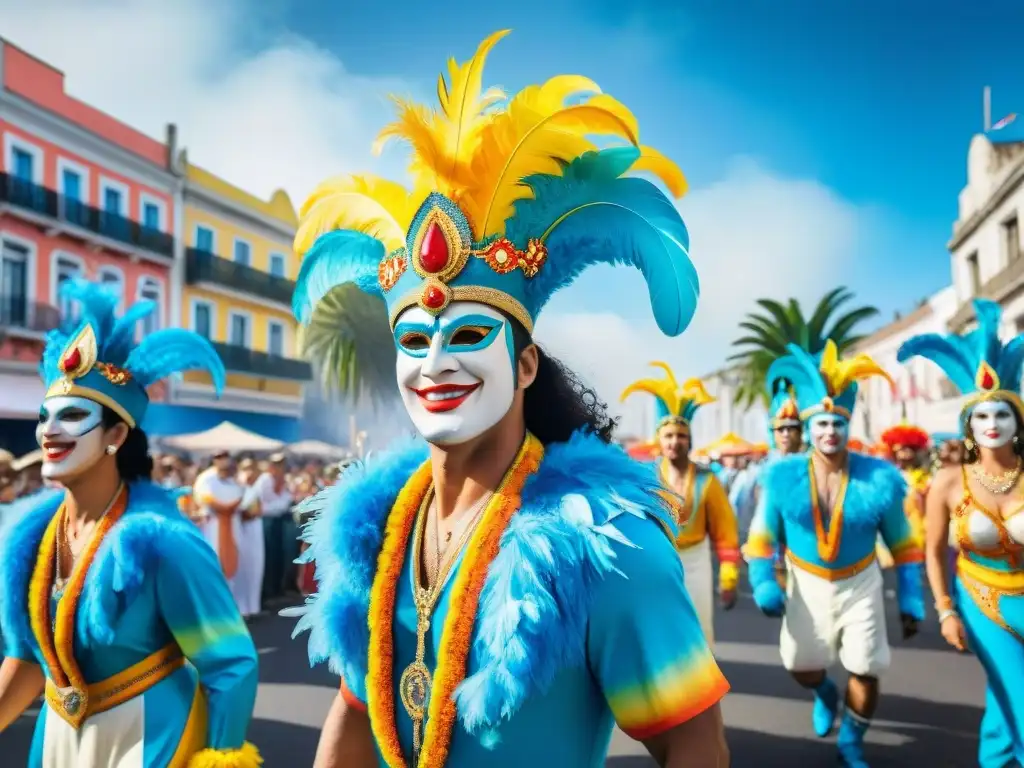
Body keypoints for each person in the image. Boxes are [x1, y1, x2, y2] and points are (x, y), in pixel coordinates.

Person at [291, 29, 729, 768]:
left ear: (525, 365)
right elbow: (356, 713)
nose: (434, 364)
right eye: (414, 341)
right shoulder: (372, 533)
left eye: (466, 334)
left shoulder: (606, 548)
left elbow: (695, 749)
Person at [0, 280, 260, 766]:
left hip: (150, 739)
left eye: (72, 415)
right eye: (44, 416)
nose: (48, 431)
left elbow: (232, 665)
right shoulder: (27, 540)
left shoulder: (165, 543)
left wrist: (221, 758)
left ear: (117, 434)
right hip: (56, 741)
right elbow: (28, 659)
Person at [744, 340, 924, 768]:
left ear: (848, 426)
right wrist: (763, 582)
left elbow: (903, 544)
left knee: (867, 667)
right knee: (800, 666)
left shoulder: (879, 479)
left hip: (861, 581)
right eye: (821, 423)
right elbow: (761, 538)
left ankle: (852, 738)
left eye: (836, 423)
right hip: (805, 584)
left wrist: (912, 595)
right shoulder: (782, 477)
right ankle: (824, 691)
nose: (829, 431)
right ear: (808, 428)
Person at [897, 297, 1024, 768]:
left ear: (1018, 420)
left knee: (1003, 702)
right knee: (1021, 699)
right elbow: (932, 552)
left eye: (1002, 414)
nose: (992, 425)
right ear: (969, 424)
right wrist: (945, 610)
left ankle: (993, 759)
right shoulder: (948, 482)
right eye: (983, 416)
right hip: (982, 602)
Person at [620, 364, 739, 644]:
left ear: (690, 440)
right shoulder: (644, 478)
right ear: (659, 440)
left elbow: (725, 530)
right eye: (669, 435)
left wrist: (730, 574)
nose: (675, 441)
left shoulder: (707, 481)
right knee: (657, 635)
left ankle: (698, 686)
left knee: (696, 631)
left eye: (681, 435)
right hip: (656, 560)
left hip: (696, 561)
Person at [193, 450, 244, 592]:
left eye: (225, 457)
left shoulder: (234, 479)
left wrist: (232, 508)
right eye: (218, 457)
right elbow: (204, 498)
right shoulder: (206, 478)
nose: (222, 460)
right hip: (213, 525)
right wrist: (225, 508)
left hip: (233, 525)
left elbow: (242, 498)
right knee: (213, 564)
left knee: (234, 566)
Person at [878, 420, 931, 551]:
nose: (906, 452)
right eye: (902, 448)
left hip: (920, 530)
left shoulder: (925, 477)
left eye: (910, 448)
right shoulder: (889, 476)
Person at [254, 453, 296, 606]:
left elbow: (285, 500)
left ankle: (278, 589)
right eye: (278, 464)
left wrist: (281, 504)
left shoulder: (281, 481)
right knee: (269, 556)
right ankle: (268, 592)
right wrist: (281, 504)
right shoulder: (265, 480)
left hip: (278, 521)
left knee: (279, 555)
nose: (281, 467)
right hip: (267, 521)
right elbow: (264, 504)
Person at [235, 458, 265, 620]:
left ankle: (253, 606)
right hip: (240, 530)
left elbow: (259, 509)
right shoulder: (236, 489)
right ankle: (242, 608)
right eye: (246, 469)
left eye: (252, 468)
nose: (249, 472)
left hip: (254, 530)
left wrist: (254, 511)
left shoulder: (255, 490)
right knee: (242, 568)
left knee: (255, 567)